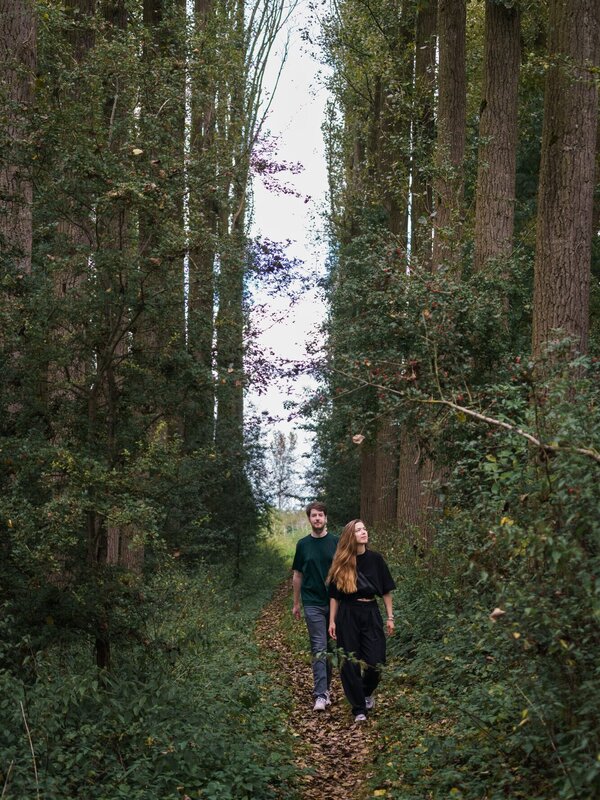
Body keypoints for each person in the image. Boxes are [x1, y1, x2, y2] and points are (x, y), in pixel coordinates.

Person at [327, 519, 395, 723]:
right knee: (349, 661)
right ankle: (358, 709)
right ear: (350, 536)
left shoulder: (376, 559)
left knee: (377, 661)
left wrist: (390, 617)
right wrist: (332, 621)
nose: (364, 532)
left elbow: (386, 590)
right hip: (347, 613)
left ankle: (364, 692)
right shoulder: (342, 562)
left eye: (364, 528)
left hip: (370, 611)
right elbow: (334, 596)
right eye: (358, 530)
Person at [292, 501, 339, 712]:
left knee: (330, 648)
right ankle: (320, 694)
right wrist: (296, 604)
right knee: (319, 647)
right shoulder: (303, 545)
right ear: (309, 519)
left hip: (335, 603)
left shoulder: (336, 542)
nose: (317, 518)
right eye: (313, 515)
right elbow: (297, 575)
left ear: (326, 518)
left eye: (321, 515)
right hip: (312, 603)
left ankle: (326, 689)